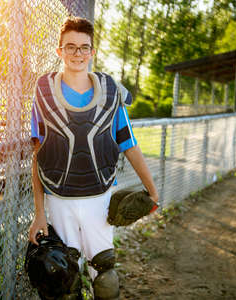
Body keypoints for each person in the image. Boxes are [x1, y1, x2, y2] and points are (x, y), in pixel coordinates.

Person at [29, 16, 158, 299]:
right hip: (59, 200)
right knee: (65, 278)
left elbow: (130, 144)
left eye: (84, 47)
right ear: (59, 51)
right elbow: (37, 154)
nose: (78, 53)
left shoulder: (110, 93)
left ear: (92, 52)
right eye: (71, 47)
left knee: (105, 273)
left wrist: (152, 190)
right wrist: (39, 213)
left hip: (98, 199)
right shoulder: (44, 91)